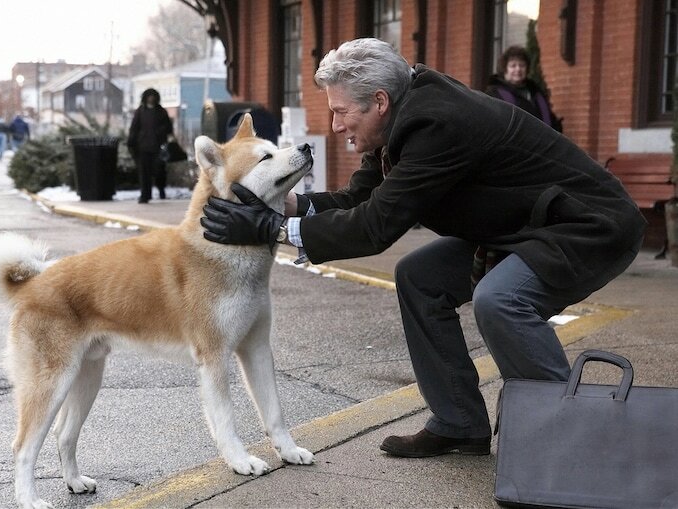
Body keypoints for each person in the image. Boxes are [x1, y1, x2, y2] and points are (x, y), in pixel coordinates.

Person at [200, 38, 645, 459]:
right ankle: (459, 423)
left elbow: (376, 226)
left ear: (378, 101)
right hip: (523, 226)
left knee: (500, 300)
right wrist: (280, 202)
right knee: (419, 278)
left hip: (587, 226)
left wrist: (271, 229)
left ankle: (576, 437)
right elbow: (360, 199)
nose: (335, 127)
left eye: (340, 112)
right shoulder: (401, 114)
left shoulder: (437, 124)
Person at [486, 45, 562, 132]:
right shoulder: (494, 94)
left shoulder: (536, 92)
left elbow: (550, 119)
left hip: (543, 142)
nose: (518, 69)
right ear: (504, 69)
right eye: (513, 66)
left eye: (522, 65)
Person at [127, 88, 174, 203]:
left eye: (153, 96)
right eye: (149, 96)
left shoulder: (161, 112)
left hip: (158, 147)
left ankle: (161, 189)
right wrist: (131, 142)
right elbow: (134, 128)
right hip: (143, 147)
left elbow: (168, 128)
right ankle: (145, 195)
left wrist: (160, 133)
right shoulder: (140, 112)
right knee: (144, 173)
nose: (151, 98)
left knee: (159, 171)